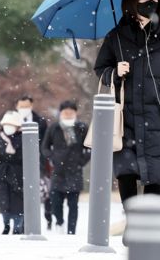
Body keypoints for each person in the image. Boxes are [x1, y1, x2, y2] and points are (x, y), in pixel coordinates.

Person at [93, 0, 160, 205]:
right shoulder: (116, 35)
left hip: (156, 116)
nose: (152, 1)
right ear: (133, 0)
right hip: (125, 116)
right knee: (126, 173)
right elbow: (101, 69)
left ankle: (146, 227)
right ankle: (133, 222)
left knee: (154, 174)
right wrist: (115, 71)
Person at [41, 100, 90, 235]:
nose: (68, 114)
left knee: (73, 205)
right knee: (56, 202)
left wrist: (81, 161)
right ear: (60, 113)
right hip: (58, 171)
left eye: (71, 112)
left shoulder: (82, 127)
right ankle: (60, 222)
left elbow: (90, 147)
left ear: (75, 113)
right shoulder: (54, 128)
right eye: (65, 112)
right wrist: (52, 158)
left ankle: (71, 231)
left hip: (75, 171)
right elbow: (44, 147)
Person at [15, 95, 52, 229]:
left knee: (38, 191)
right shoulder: (11, 120)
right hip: (17, 163)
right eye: (21, 106)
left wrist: (43, 159)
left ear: (31, 106)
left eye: (26, 106)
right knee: (20, 192)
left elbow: (45, 143)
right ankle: (22, 221)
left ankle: (43, 218)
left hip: (37, 162)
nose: (24, 109)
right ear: (16, 106)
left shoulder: (40, 122)